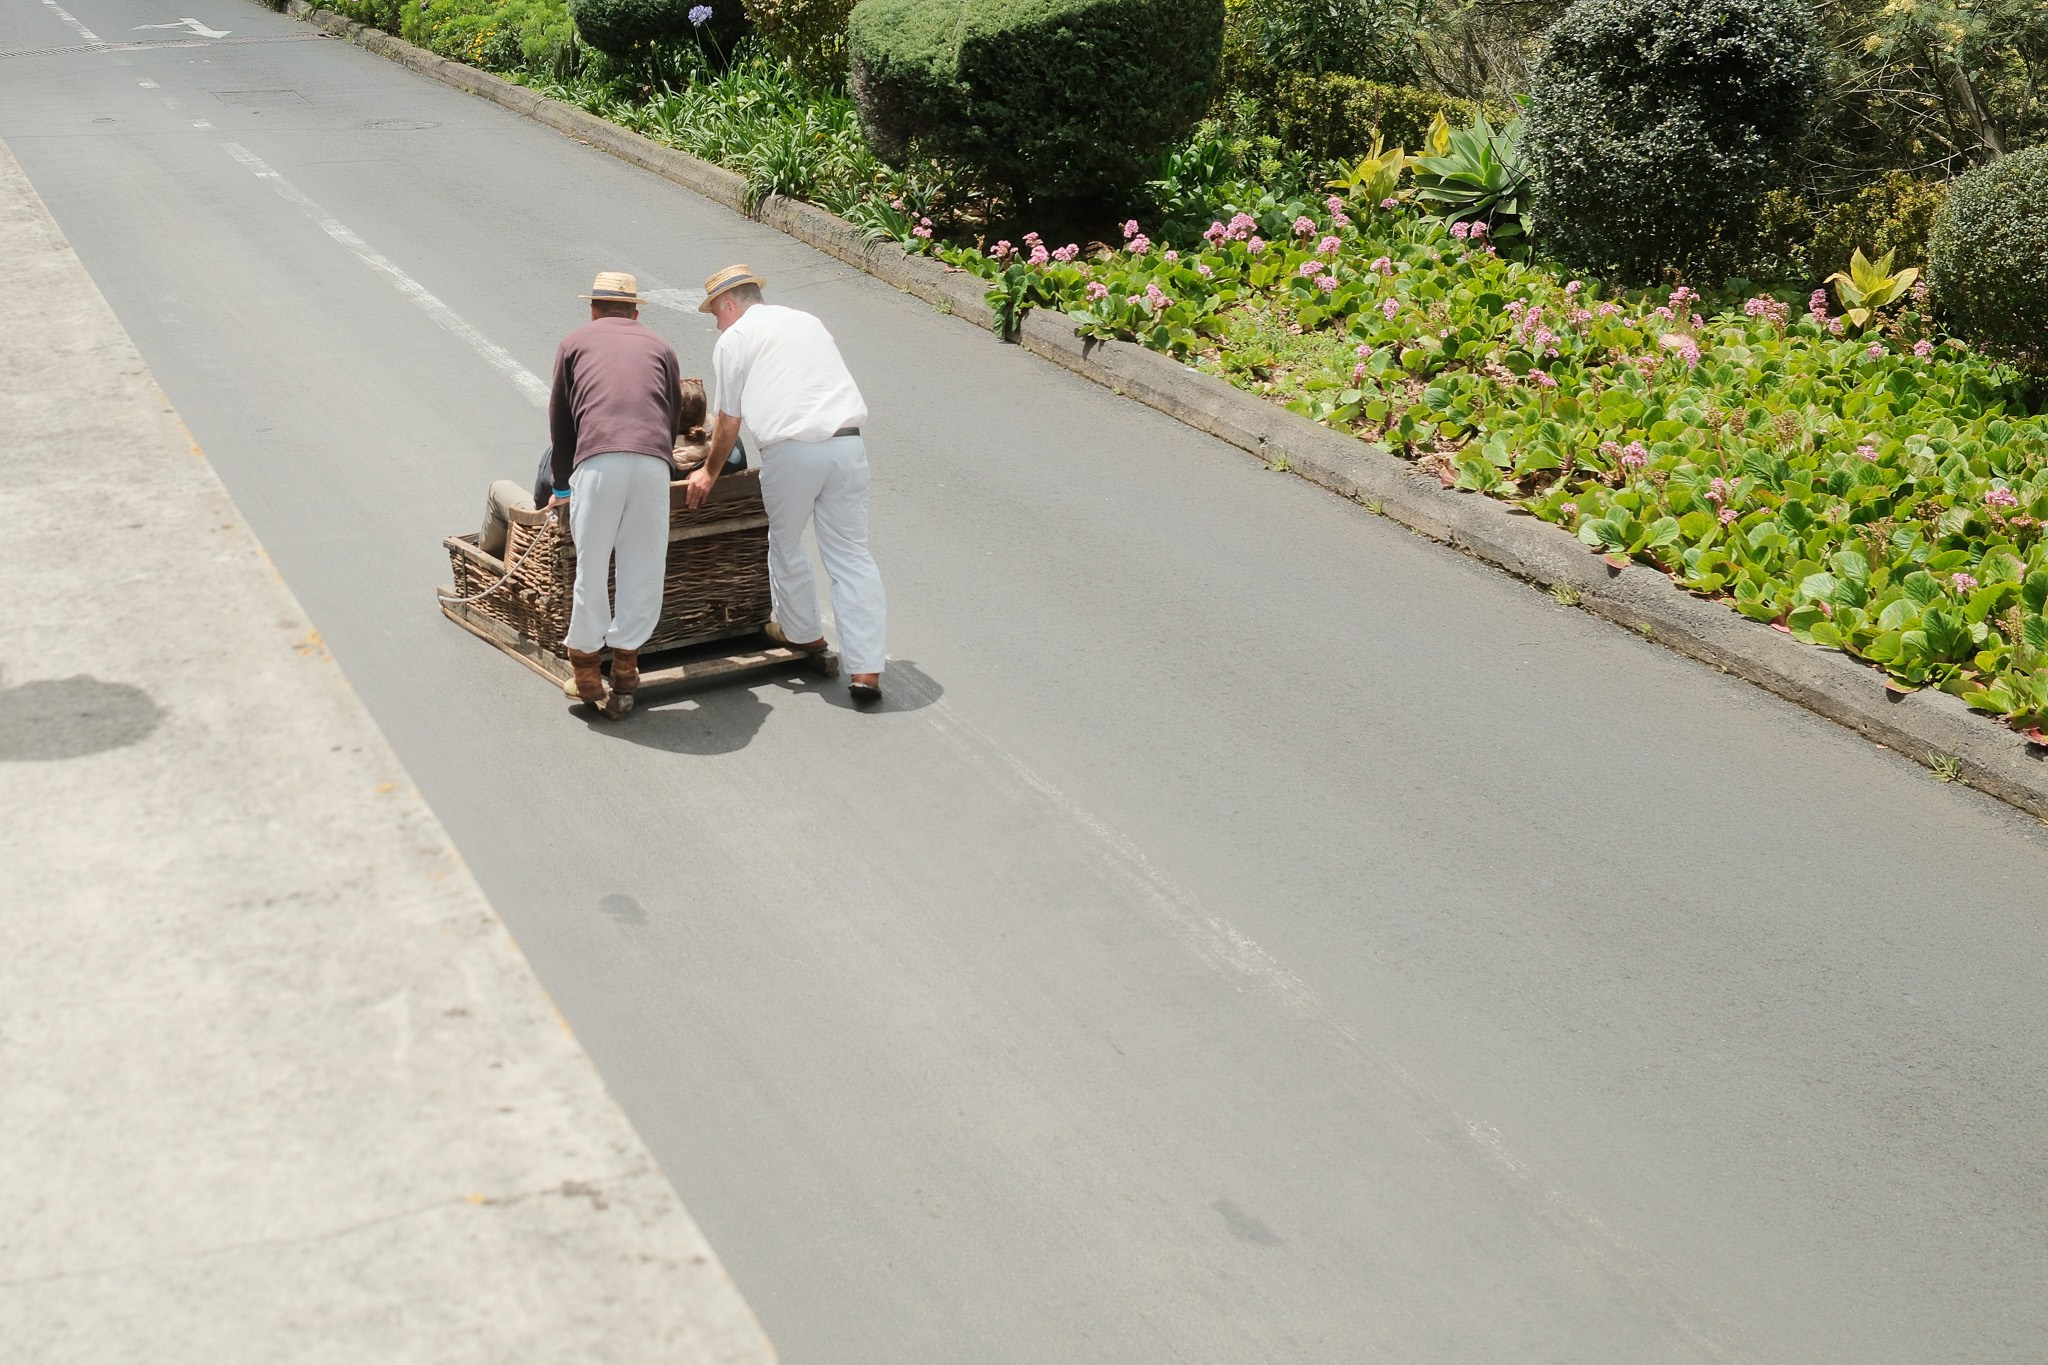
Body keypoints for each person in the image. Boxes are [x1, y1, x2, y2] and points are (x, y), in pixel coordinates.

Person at [688, 264, 887, 703]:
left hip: (791, 452)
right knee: (852, 556)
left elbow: (728, 420)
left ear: (729, 305)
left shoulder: (734, 339)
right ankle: (867, 670)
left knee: (786, 543)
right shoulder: (806, 320)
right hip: (847, 446)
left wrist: (708, 471)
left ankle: (805, 636)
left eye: (715, 314)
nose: (716, 323)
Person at [547, 271, 690, 713]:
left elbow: (562, 421)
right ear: (635, 311)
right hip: (651, 463)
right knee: (643, 564)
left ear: (593, 308)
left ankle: (587, 673)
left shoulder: (574, 341)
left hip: (599, 461)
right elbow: (672, 414)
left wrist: (561, 486)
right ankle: (626, 668)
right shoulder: (662, 346)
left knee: (592, 565)